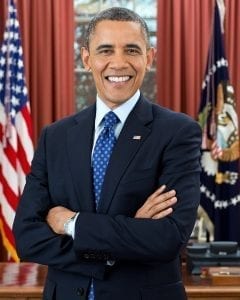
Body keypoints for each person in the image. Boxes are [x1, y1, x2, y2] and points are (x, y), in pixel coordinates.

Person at [13, 7, 202, 300]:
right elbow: (27, 238)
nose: (118, 62)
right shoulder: (56, 136)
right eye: (105, 50)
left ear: (149, 58)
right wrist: (128, 236)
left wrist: (71, 224)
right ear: (87, 58)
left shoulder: (178, 133)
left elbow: (168, 239)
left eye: (131, 50)